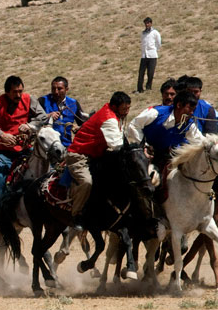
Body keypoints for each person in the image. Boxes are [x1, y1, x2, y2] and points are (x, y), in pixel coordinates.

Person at [66, 91, 131, 230]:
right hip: (79, 156)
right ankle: (76, 215)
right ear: (114, 106)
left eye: (128, 108)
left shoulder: (113, 113)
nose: (126, 112)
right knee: (86, 182)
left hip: (95, 155)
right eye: (124, 109)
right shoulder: (109, 118)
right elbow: (116, 145)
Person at [0, 75, 47, 205]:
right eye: (14, 92)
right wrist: (1, 134)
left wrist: (29, 126)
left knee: (45, 170)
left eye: (20, 91)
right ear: (7, 92)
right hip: (3, 151)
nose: (18, 95)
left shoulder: (29, 99)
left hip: (25, 148)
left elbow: (43, 117)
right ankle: (1, 207)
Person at [127, 91, 203, 172]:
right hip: (144, 155)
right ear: (179, 105)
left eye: (193, 110)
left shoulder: (189, 125)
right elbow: (134, 125)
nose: (191, 113)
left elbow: (200, 141)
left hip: (165, 159)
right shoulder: (155, 113)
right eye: (189, 109)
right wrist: (144, 146)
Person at [38, 76, 88, 147]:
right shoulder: (42, 101)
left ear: (66, 89)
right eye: (53, 88)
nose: (56, 92)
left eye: (59, 89)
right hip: (47, 146)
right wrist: (47, 116)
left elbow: (83, 124)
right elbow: (32, 119)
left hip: (66, 145)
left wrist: (78, 128)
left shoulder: (73, 103)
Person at [137, 17, 161, 93]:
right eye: (145, 23)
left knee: (150, 72)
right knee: (141, 72)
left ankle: (148, 87)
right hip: (144, 55)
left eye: (148, 23)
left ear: (151, 23)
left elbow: (158, 43)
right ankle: (139, 88)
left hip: (152, 55)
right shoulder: (143, 33)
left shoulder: (155, 32)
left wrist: (154, 50)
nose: (147, 25)